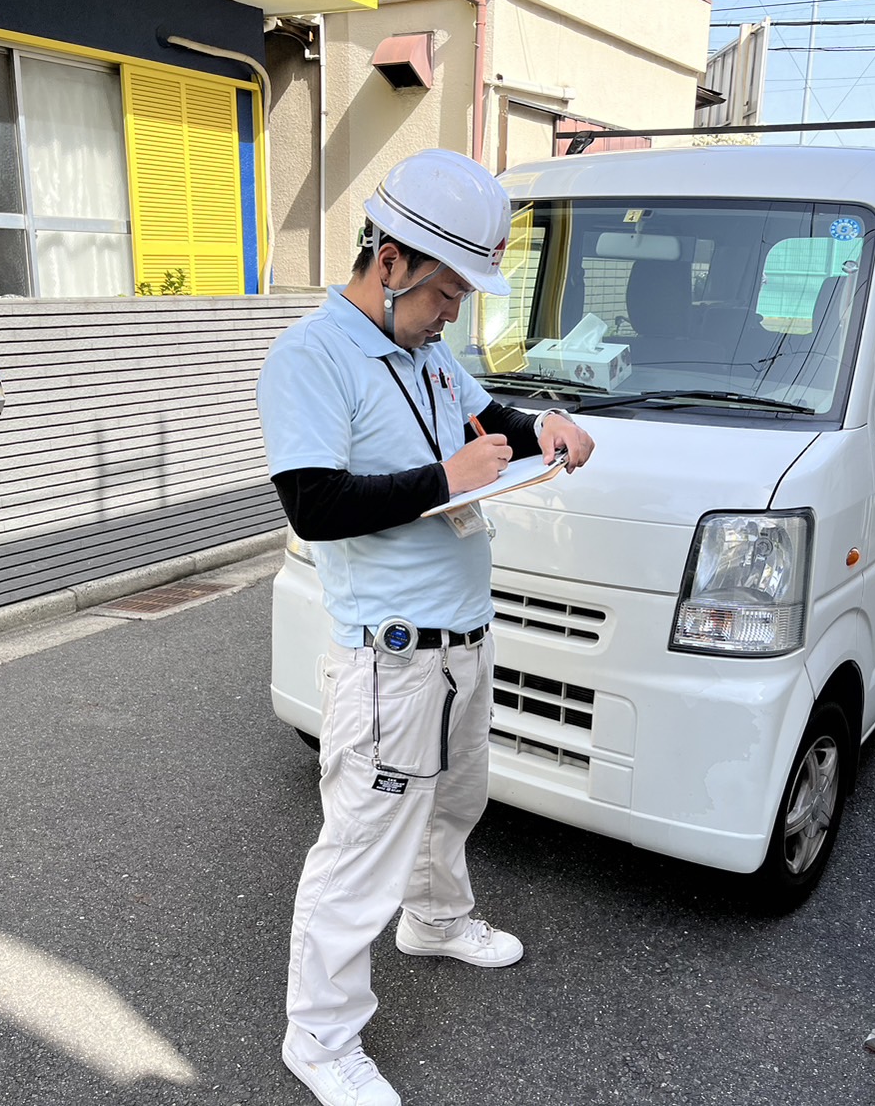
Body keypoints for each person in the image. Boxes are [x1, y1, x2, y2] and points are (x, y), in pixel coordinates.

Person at [256, 148, 595, 1106]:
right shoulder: (310, 359)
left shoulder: (423, 350)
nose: (456, 313)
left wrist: (546, 428)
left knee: (454, 803)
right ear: (392, 259)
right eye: (447, 291)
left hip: (460, 642)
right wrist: (449, 480)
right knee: (359, 849)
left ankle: (437, 920)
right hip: (390, 659)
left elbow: (487, 414)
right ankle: (319, 1038)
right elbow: (314, 505)